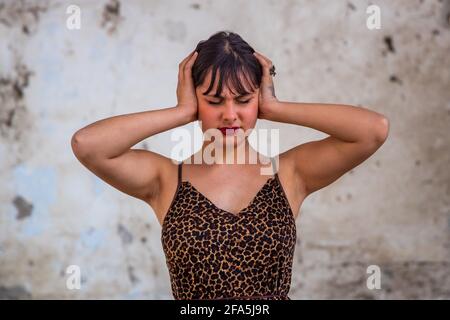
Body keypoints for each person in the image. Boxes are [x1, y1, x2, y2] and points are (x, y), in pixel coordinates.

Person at [71, 30, 389, 300]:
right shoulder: (165, 178)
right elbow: (87, 145)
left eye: (243, 99)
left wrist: (276, 107)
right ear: (195, 99)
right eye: (213, 100)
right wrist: (181, 112)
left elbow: (373, 130)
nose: (229, 114)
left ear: (258, 100)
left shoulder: (289, 173)